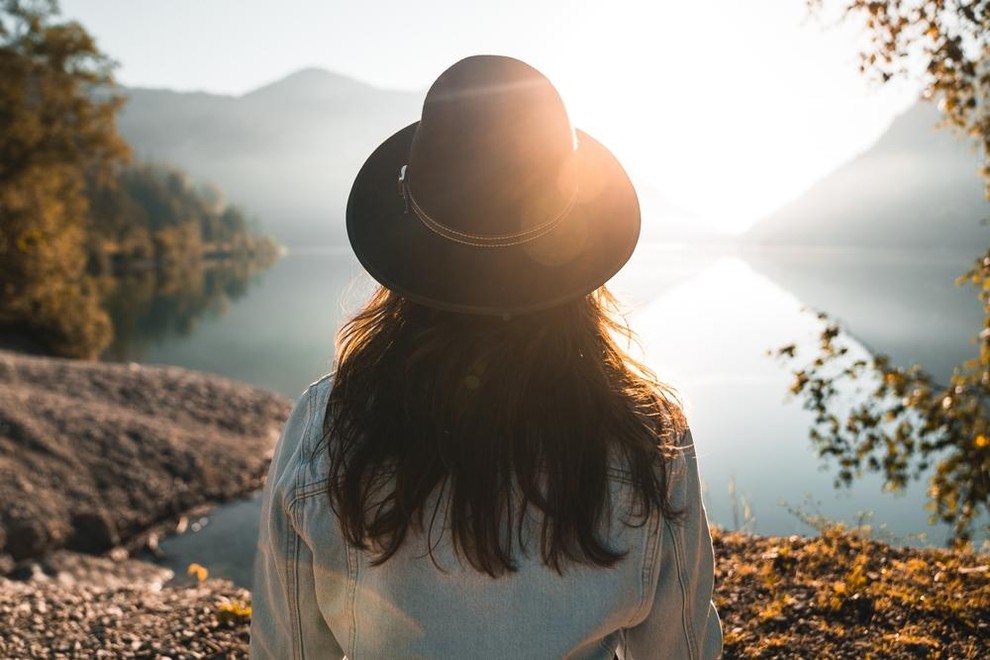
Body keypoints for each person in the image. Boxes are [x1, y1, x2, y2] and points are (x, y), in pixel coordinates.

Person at [250, 55, 722, 659]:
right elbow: (681, 652)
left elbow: (286, 649)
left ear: (408, 232)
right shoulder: (646, 433)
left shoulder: (326, 426)